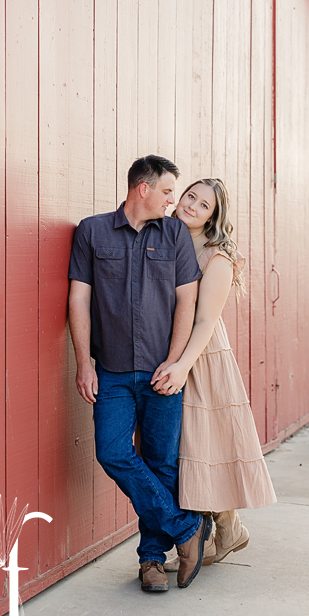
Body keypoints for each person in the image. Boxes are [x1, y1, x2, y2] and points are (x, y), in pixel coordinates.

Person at [68, 155, 213, 592]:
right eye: (169, 191)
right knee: (112, 453)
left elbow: (186, 302)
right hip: (110, 372)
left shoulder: (173, 235)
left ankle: (151, 560)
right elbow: (78, 300)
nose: (175, 201)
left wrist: (175, 362)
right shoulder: (91, 231)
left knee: (161, 463)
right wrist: (82, 362)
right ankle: (187, 529)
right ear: (142, 189)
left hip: (160, 373)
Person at [150, 178, 277, 572]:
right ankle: (229, 529)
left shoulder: (217, 255)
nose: (191, 205)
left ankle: (214, 535)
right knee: (188, 447)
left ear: (213, 216)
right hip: (167, 349)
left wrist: (183, 364)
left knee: (203, 445)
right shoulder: (166, 237)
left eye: (203, 205)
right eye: (190, 196)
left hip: (200, 356)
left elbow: (206, 321)